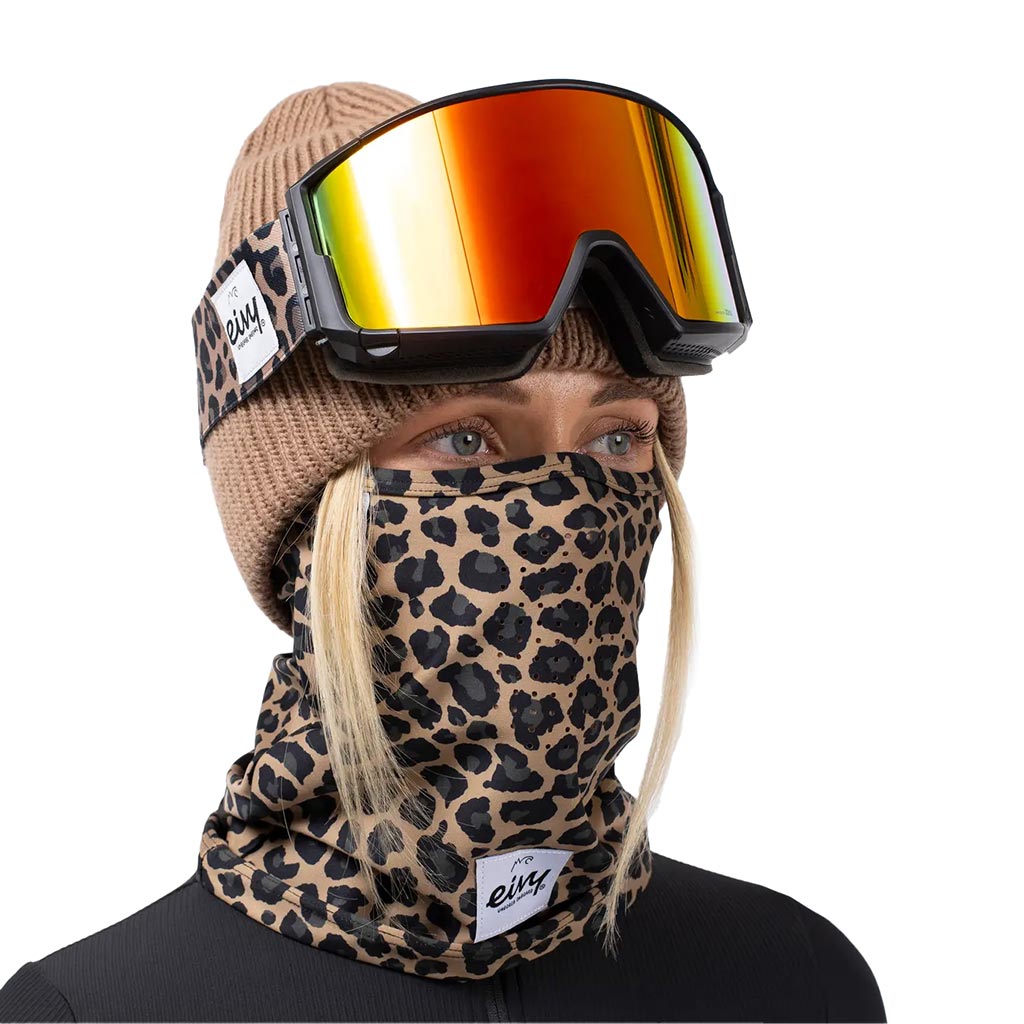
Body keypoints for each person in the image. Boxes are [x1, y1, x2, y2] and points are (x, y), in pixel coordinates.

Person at [0, 80, 886, 1023]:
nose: (567, 510)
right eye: (465, 440)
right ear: (304, 530)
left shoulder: (799, 984)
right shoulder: (88, 1014)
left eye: (615, 438)